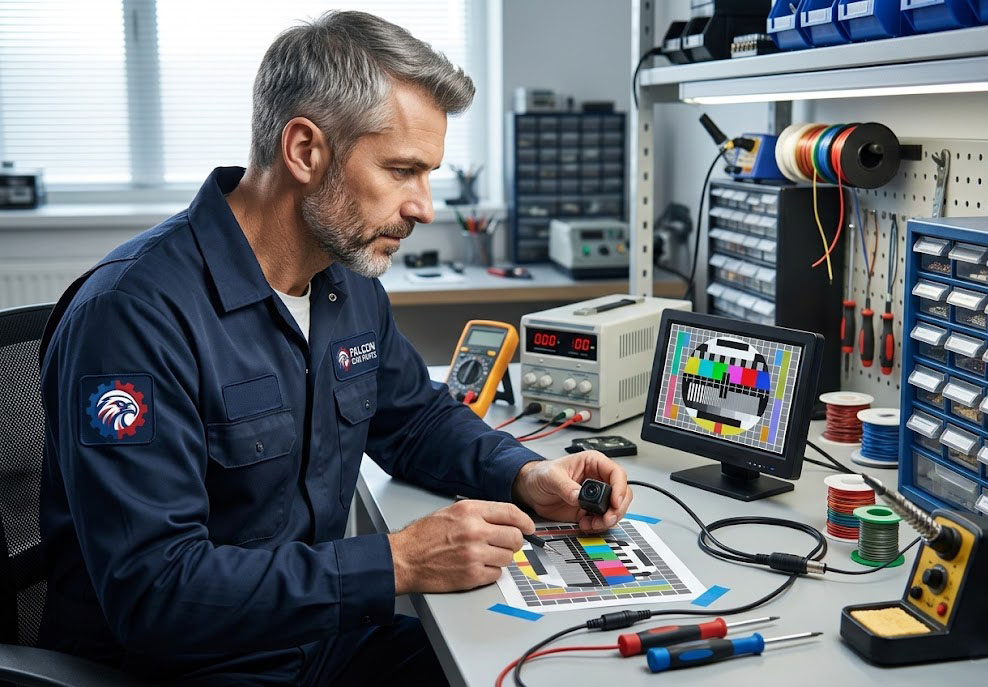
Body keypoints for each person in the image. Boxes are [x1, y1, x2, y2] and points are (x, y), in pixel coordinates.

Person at [37, 10, 632, 686]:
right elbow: (157, 589)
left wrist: (525, 474)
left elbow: (413, 416)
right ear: (304, 151)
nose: (424, 206)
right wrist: (399, 562)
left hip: (315, 643)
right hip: (182, 669)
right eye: (403, 170)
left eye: (428, 173)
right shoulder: (133, 317)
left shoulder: (343, 281)